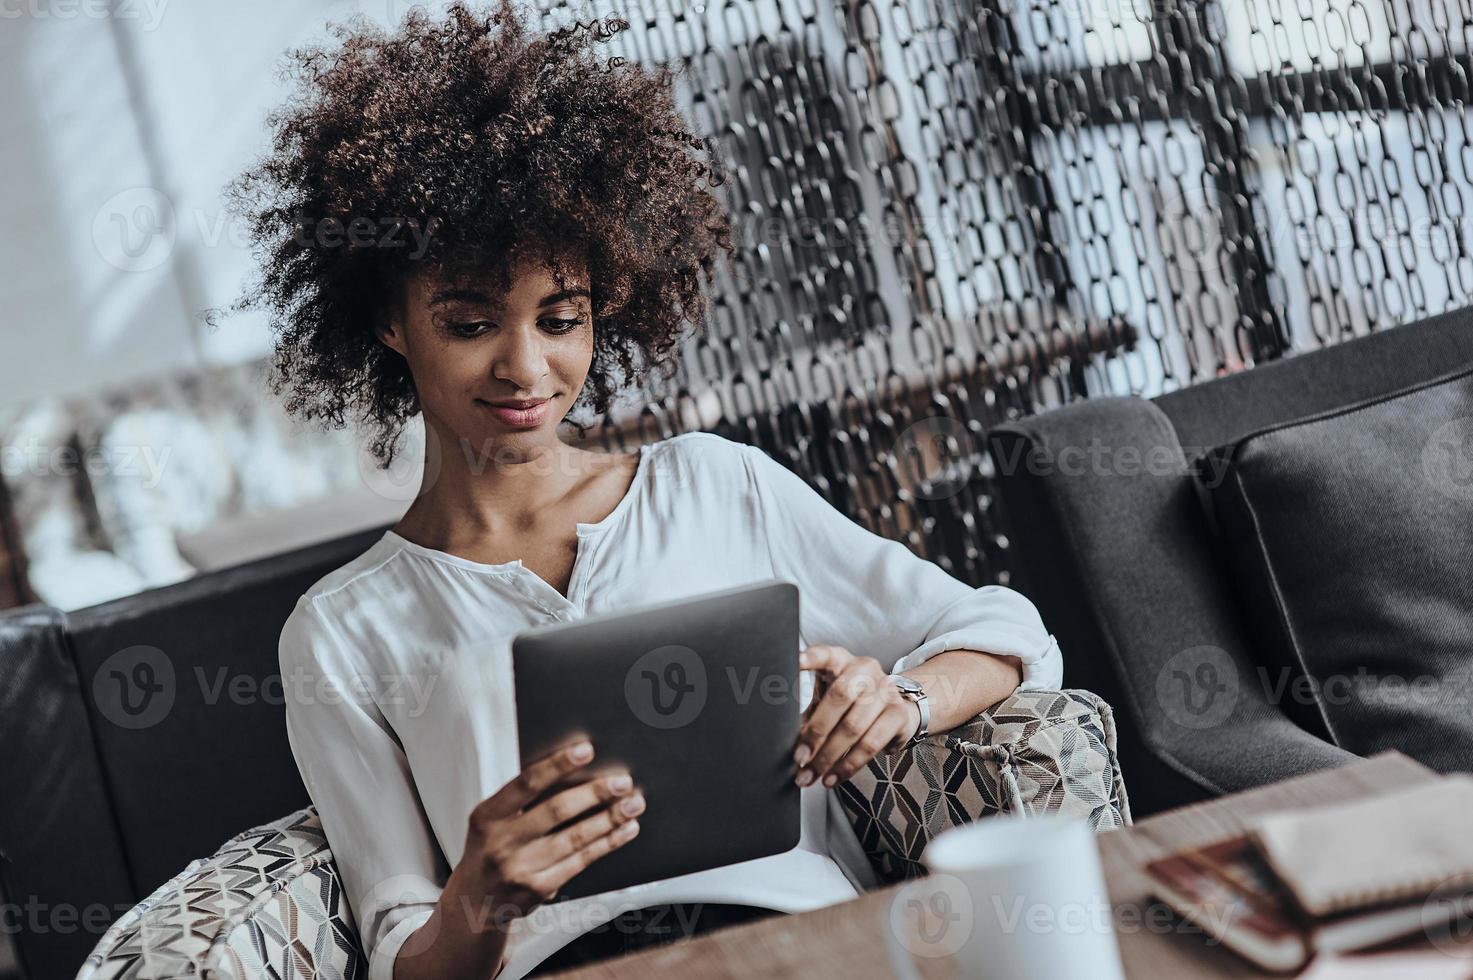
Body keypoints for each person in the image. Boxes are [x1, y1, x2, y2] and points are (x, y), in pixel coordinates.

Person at [231, 4, 1063, 978]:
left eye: (561, 317)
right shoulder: (338, 629)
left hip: (801, 941)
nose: (526, 366)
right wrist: (478, 898)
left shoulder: (717, 485)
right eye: (470, 322)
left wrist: (904, 697)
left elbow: (1005, 628)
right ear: (389, 321)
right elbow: (406, 958)